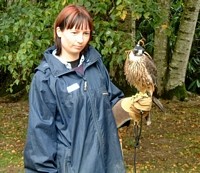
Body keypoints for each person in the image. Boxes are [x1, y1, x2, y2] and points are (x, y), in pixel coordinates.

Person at [24, 4, 152, 173]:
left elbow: (110, 107)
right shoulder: (46, 78)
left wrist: (130, 107)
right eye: (74, 32)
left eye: (86, 33)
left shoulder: (95, 64)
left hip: (109, 164)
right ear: (59, 31)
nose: (80, 40)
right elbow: (40, 138)